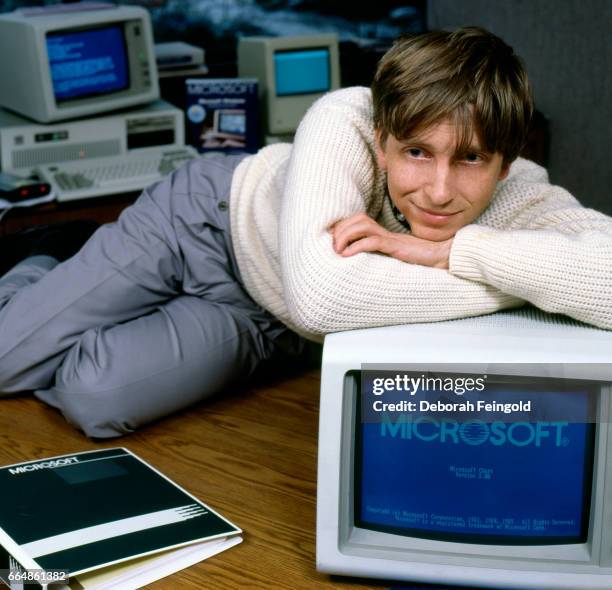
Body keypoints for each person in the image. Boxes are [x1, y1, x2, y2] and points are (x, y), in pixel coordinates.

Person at [1, 27, 611, 438]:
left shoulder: (520, 192)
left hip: (273, 320)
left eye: (471, 159)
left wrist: (460, 251)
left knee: (95, 400)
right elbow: (326, 298)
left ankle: (56, 301)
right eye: (417, 153)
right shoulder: (343, 117)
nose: (440, 190)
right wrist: (519, 279)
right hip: (203, 225)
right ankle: (42, 267)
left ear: (504, 163)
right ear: (382, 140)